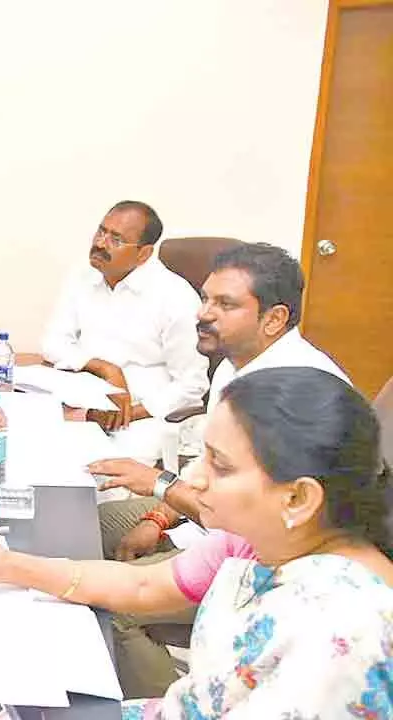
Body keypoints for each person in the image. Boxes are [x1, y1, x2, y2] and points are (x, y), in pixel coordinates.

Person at [0, 367, 393, 717]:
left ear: (298, 497)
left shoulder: (343, 631)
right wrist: (5, 566)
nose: (193, 478)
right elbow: (142, 587)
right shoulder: (264, 540)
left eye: (219, 464)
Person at [88, 243, 353, 698]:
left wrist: (159, 486)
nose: (203, 314)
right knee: (88, 526)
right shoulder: (238, 366)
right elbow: (209, 479)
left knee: (113, 610)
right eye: (205, 299)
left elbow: (245, 521)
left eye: (224, 304)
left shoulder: (292, 392)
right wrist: (156, 514)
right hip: (214, 526)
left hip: (270, 559)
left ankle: (181, 701)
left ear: (273, 318)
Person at [42, 201, 208, 477]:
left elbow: (192, 383)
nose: (100, 244)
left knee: (101, 482)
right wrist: (105, 368)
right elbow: (52, 342)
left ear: (144, 253)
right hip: (83, 402)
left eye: (115, 239)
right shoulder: (81, 276)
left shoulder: (174, 297)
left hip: (141, 415)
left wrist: (130, 411)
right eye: (101, 232)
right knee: (33, 460)